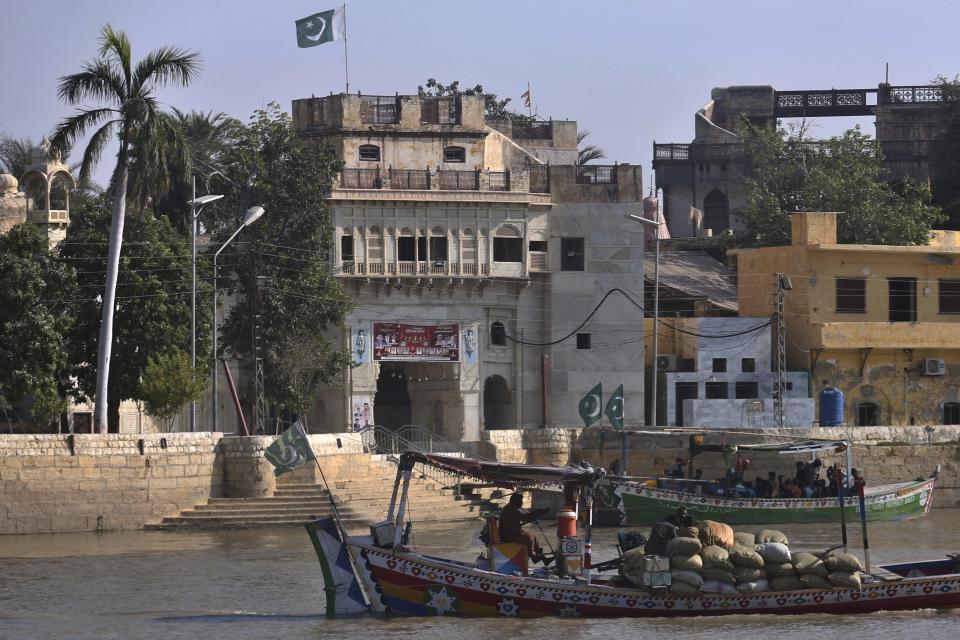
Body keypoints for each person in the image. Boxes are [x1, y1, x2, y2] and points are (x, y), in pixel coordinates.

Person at [498, 493, 550, 563]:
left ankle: (543, 558)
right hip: (508, 536)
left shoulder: (511, 508)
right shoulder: (510, 510)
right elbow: (525, 518)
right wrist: (538, 513)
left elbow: (522, 519)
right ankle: (533, 556)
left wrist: (535, 514)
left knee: (533, 537)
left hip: (512, 533)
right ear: (515, 501)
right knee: (528, 537)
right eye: (520, 501)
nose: (521, 503)